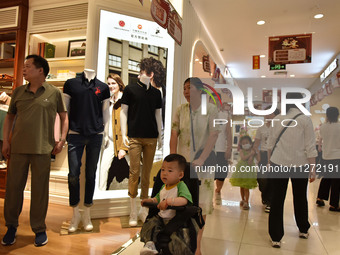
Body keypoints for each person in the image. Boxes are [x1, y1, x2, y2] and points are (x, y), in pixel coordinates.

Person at [1, 55, 68, 247]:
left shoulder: (54, 92)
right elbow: (9, 118)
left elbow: (64, 117)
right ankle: (11, 226)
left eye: (28, 66)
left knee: (40, 192)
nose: (24, 69)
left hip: (42, 149)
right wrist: (6, 141)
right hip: (18, 148)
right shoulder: (18, 91)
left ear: (41, 70)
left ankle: (39, 229)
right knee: (13, 189)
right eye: (24, 66)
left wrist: (62, 139)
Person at [170, 77, 219, 255]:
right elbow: (174, 134)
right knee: (180, 201)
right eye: (184, 88)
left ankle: (197, 245)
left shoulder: (212, 110)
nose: (186, 91)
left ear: (200, 90)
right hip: (182, 166)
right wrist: (172, 160)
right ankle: (179, 241)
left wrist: (202, 159)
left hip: (203, 166)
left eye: (189, 88)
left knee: (201, 206)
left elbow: (213, 135)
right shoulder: (180, 110)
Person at [267, 92, 317, 248]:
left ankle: (275, 237)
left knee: (277, 199)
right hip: (300, 164)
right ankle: (303, 229)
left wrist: (269, 163)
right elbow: (310, 146)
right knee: (300, 197)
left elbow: (270, 144)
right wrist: (313, 168)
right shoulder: (305, 120)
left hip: (278, 162)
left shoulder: (277, 119)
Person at [63, 68, 110, 232]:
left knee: (91, 174)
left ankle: (87, 213)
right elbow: (65, 111)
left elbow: (106, 113)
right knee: (73, 175)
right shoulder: (71, 84)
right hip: (75, 134)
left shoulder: (103, 87)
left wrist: (105, 134)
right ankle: (75, 214)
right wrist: (64, 134)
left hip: (96, 135)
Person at [121, 57, 164, 227]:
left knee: (147, 174)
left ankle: (143, 210)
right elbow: (123, 112)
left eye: (147, 71)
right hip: (135, 137)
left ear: (150, 74)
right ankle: (132, 210)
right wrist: (124, 133)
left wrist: (160, 136)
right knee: (134, 173)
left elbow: (158, 115)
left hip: (151, 137)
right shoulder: (130, 89)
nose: (145, 74)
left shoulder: (156, 93)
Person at [140, 154, 192, 255]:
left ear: (180, 175)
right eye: (163, 170)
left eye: (170, 171)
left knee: (177, 241)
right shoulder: (164, 187)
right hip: (161, 218)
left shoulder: (181, 186)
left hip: (176, 220)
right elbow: (158, 199)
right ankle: (150, 244)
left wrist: (169, 202)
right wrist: (150, 201)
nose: (164, 173)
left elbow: (184, 200)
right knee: (150, 224)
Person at [97, 73, 129, 191]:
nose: (111, 86)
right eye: (109, 84)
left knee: (134, 169)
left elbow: (129, 124)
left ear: (119, 84)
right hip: (109, 141)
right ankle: (100, 193)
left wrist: (123, 147)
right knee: (103, 168)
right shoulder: (108, 101)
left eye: (113, 83)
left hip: (124, 141)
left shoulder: (126, 100)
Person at [253, 107, 280, 212]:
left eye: (270, 113)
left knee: (272, 179)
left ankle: (270, 201)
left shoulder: (279, 127)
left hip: (275, 155)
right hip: (263, 156)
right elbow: (256, 144)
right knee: (262, 179)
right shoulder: (261, 128)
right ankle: (265, 198)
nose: (267, 115)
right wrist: (258, 154)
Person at [317, 107, 340, 211]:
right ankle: (333, 204)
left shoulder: (323, 127)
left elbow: (320, 140)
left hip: (326, 156)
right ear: (337, 115)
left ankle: (320, 197)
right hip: (337, 156)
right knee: (336, 181)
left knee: (326, 177)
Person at [229, 135, 259, 210]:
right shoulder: (242, 151)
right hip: (241, 170)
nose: (245, 144)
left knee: (246, 187)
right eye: (243, 143)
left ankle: (246, 201)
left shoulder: (253, 151)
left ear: (251, 143)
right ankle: (242, 199)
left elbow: (258, 159)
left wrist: (255, 153)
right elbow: (243, 158)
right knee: (241, 186)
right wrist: (251, 155)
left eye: (247, 142)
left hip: (249, 172)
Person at [214, 102, 232, 205]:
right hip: (209, 149)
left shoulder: (225, 116)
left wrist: (228, 149)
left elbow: (229, 134)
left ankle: (218, 191)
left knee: (221, 173)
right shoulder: (206, 114)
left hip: (221, 149)